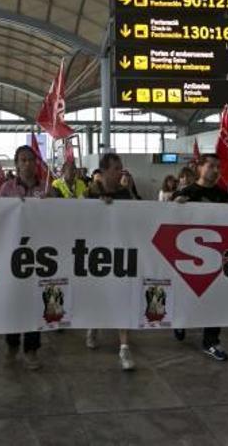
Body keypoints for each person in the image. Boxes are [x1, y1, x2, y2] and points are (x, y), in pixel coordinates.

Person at [171, 154, 228, 362]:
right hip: (186, 257)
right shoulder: (185, 193)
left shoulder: (223, 195)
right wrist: (174, 207)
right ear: (199, 168)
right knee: (187, 294)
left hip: (215, 257)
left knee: (215, 298)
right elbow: (167, 221)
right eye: (211, 166)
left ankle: (211, 341)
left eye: (218, 167)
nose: (215, 170)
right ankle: (180, 321)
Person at [0, 145, 54, 371]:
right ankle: (11, 345)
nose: (27, 164)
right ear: (17, 163)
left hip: (40, 255)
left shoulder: (46, 188)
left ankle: (31, 350)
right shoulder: (6, 189)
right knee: (13, 301)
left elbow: (60, 218)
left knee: (34, 303)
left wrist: (53, 204)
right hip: (13, 253)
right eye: (23, 160)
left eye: (31, 159)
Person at [84, 153, 137, 370]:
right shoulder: (89, 193)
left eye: (121, 168)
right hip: (95, 254)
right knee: (98, 294)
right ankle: (94, 324)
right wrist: (98, 207)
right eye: (116, 168)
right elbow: (77, 217)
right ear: (104, 171)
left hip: (120, 252)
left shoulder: (125, 193)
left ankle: (124, 347)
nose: (120, 172)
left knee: (122, 297)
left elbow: (140, 215)